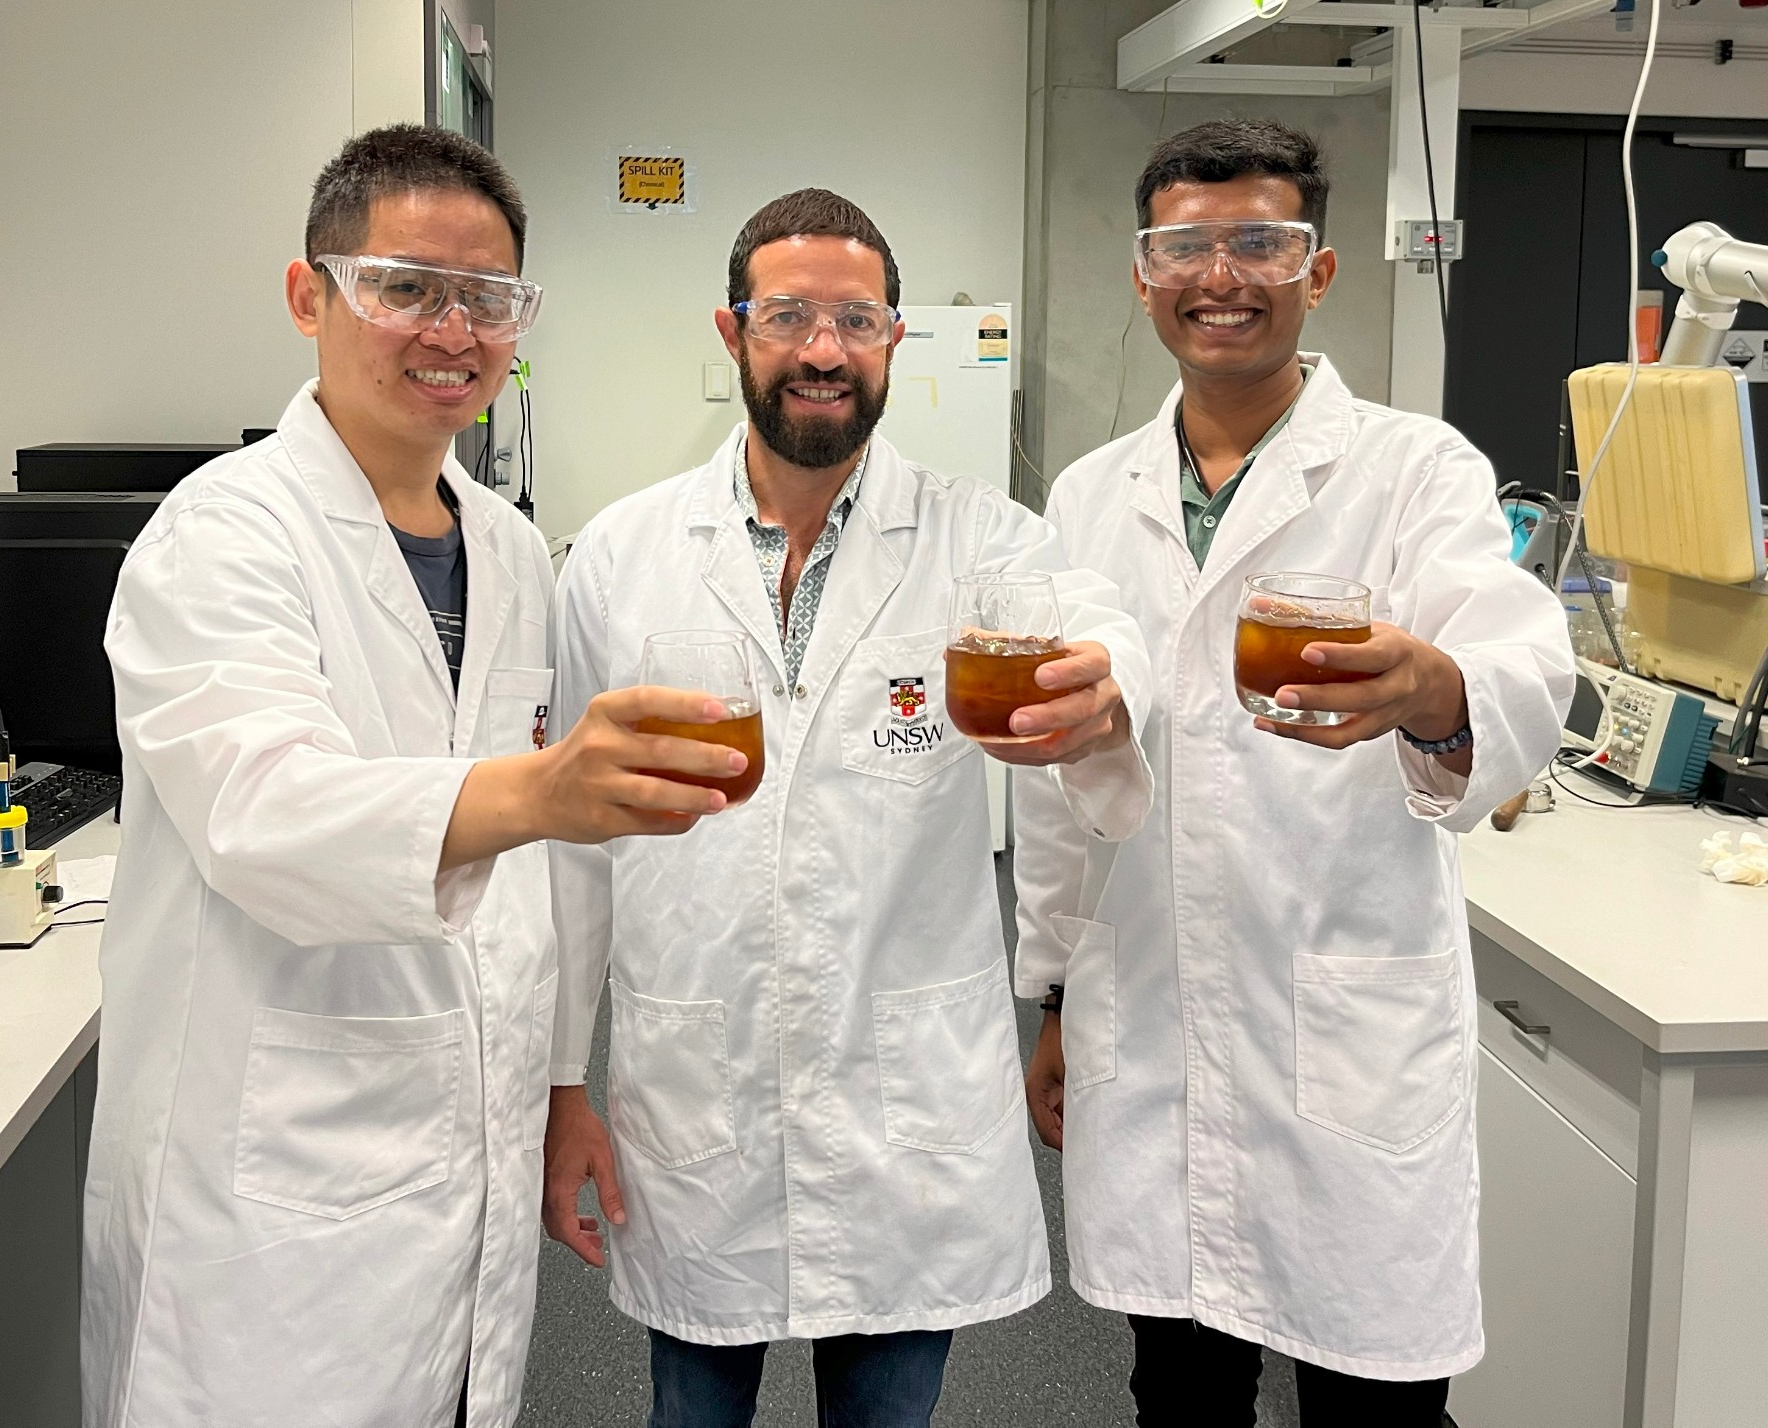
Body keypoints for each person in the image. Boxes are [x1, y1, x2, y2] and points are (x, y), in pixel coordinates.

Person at [81, 124, 747, 1428]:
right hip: (270, 1188)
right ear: (307, 294)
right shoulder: (221, 537)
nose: (453, 330)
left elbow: (542, 874)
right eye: (404, 287)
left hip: (473, 1142)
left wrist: (565, 1088)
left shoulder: (506, 547)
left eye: (488, 299)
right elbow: (264, 810)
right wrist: (542, 792)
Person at [541, 188, 1156, 1427]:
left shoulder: (978, 537)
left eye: (856, 319)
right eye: (789, 317)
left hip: (902, 1113)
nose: (823, 349)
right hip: (697, 1096)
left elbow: (1095, 616)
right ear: (733, 334)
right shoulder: (622, 556)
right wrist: (562, 1086)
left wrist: (1108, 685)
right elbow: (570, 848)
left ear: (893, 340)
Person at [1014, 120, 1575, 1427]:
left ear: (1317, 271)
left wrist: (1435, 688)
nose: (1224, 275)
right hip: (1149, 1008)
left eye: (1261, 242)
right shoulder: (1092, 496)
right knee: (1180, 1390)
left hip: (1342, 1018)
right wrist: (1048, 992)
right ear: (1144, 272)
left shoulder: (1412, 469)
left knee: (1375, 1395)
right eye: (1187, 247)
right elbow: (1058, 789)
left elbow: (1521, 661)